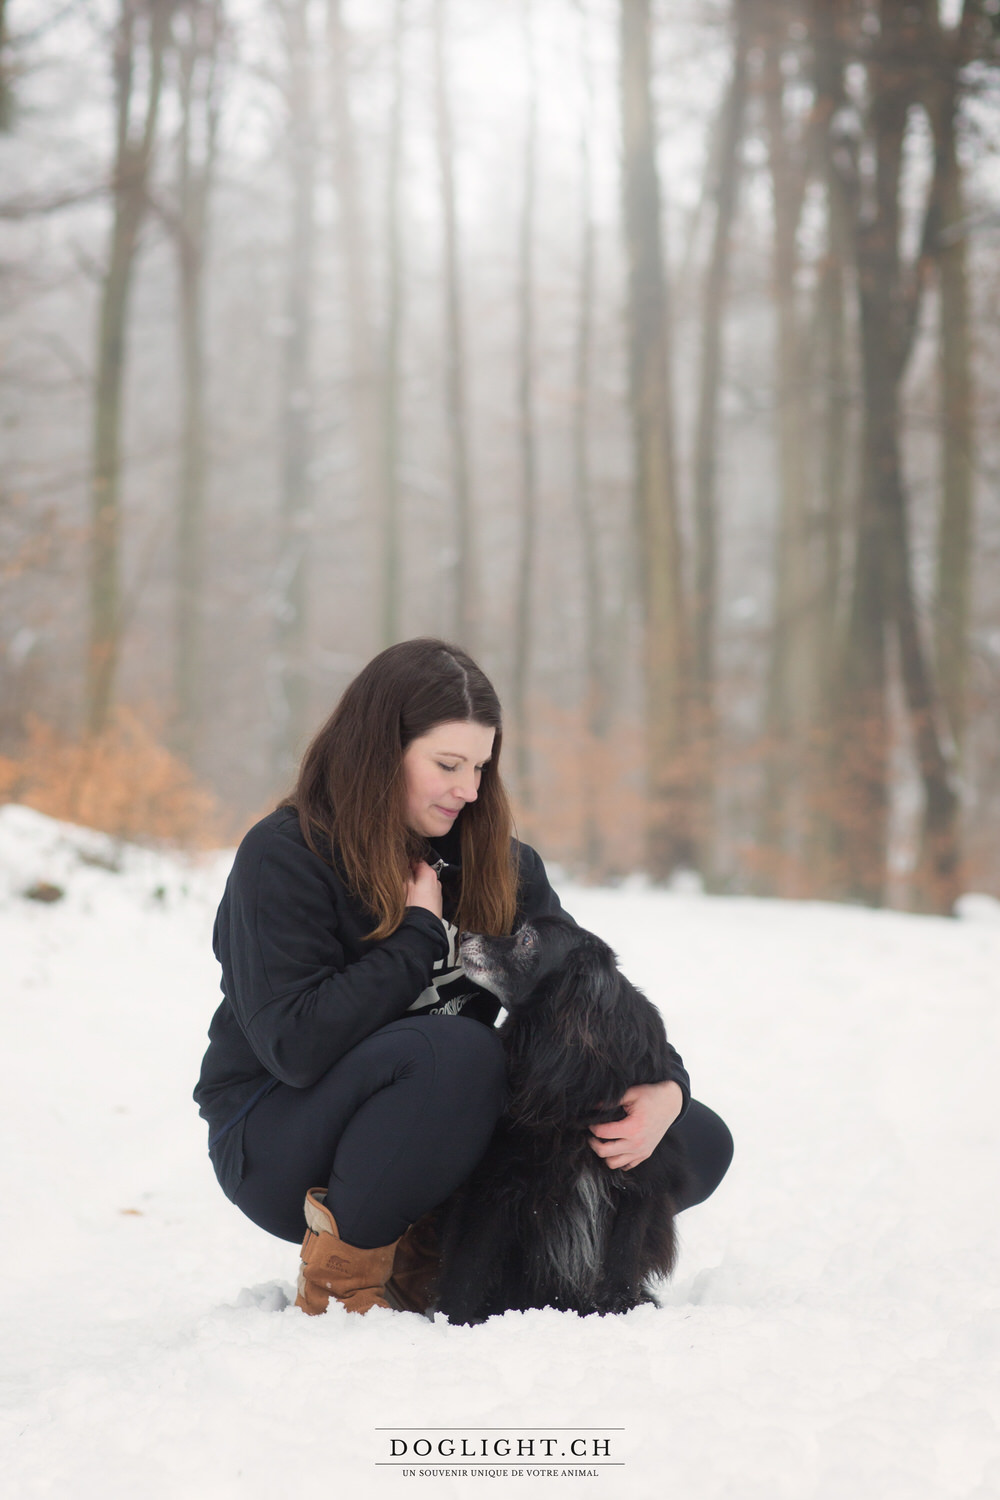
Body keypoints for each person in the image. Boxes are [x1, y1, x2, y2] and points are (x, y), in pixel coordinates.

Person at [194, 638, 733, 1316]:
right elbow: (295, 1047)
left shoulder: (499, 864)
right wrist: (417, 936)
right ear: (378, 751)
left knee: (696, 1142)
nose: (469, 790)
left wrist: (667, 1092)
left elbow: (588, 994)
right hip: (281, 1139)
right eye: (448, 764)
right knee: (454, 1051)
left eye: (481, 766)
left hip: (446, 1125)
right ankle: (344, 1280)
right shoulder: (286, 857)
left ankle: (452, 1249)